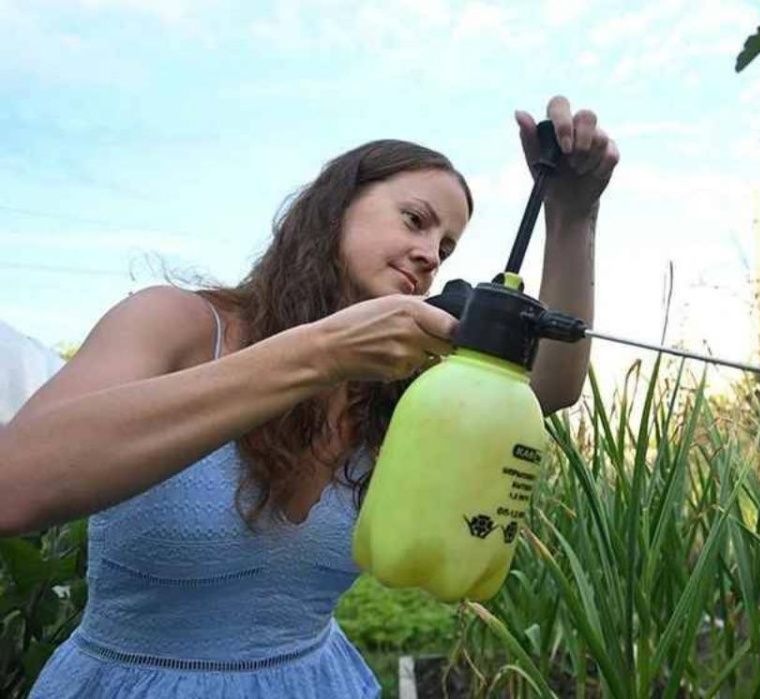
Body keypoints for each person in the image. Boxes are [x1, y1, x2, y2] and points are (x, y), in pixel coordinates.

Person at [1, 95, 619, 698]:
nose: (430, 254)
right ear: (335, 208)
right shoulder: (174, 323)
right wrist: (320, 353)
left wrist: (572, 215)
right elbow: (15, 485)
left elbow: (551, 386)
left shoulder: (396, 379)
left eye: (447, 248)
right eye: (415, 220)